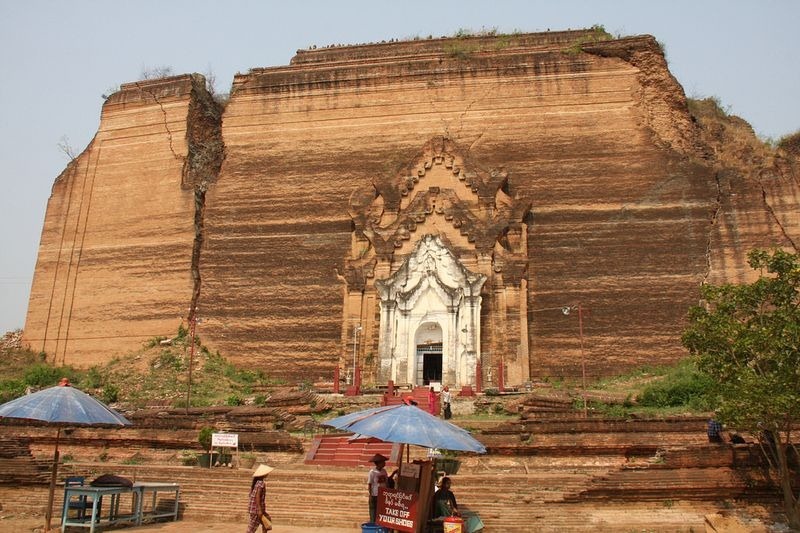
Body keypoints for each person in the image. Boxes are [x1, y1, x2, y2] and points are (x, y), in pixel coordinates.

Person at [246, 463, 274, 533]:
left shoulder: (257, 482)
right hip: (256, 510)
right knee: (251, 529)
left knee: (267, 521)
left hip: (255, 509)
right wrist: (259, 509)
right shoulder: (261, 483)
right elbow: (257, 496)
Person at [367, 453, 389, 523]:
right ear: (378, 463)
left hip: (383, 494)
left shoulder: (384, 471)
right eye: (383, 462)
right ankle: (373, 523)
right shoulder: (372, 472)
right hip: (375, 494)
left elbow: (386, 481)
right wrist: (370, 495)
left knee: (381, 511)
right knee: (373, 511)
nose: (384, 463)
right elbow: (370, 484)